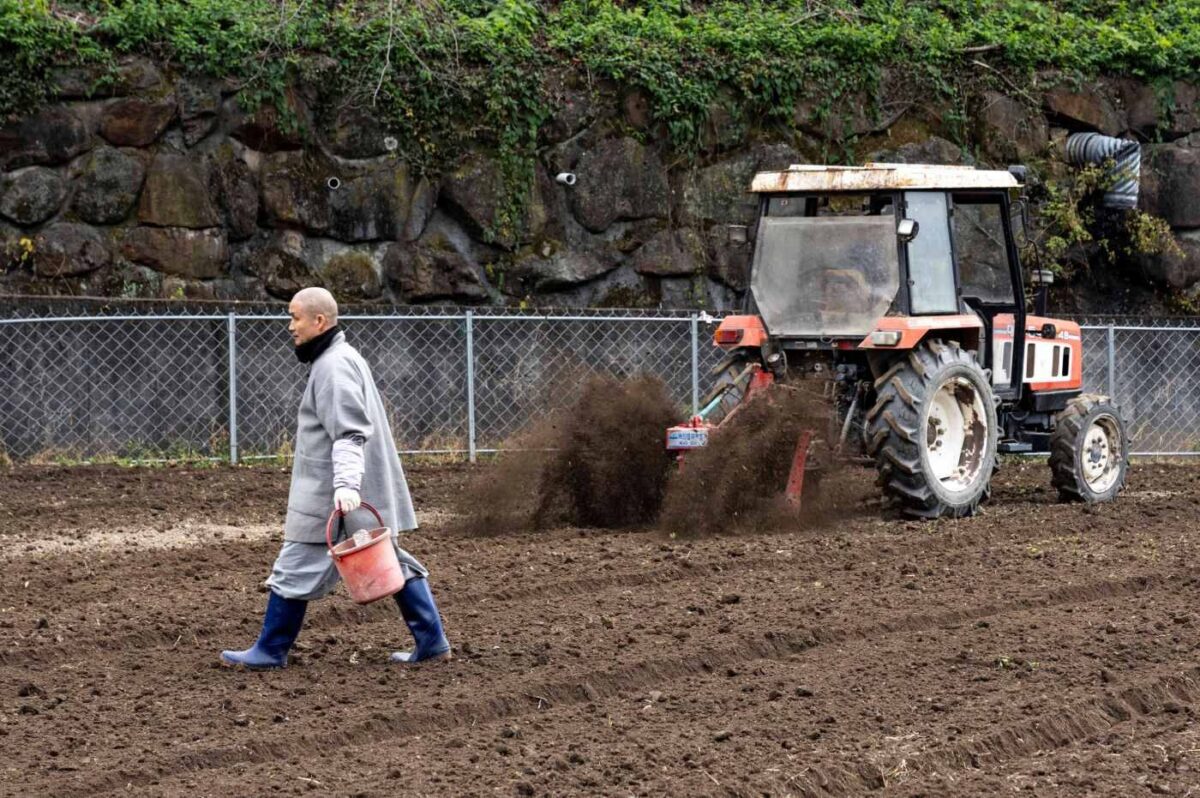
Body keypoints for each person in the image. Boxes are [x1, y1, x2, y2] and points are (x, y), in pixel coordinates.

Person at [221, 287, 451, 670]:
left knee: (295, 564)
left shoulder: (332, 365)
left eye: (295, 318)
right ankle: (432, 641)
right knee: (388, 560)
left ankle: (271, 650)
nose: (290, 326)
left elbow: (349, 432)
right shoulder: (339, 357)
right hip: (349, 493)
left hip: (334, 495)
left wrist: (346, 486)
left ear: (319, 321)